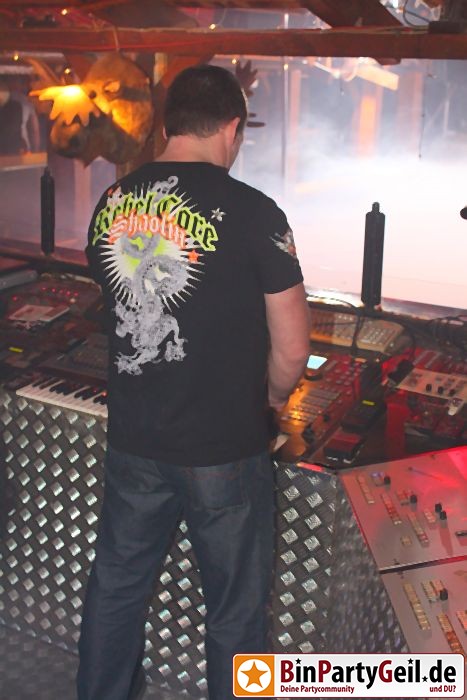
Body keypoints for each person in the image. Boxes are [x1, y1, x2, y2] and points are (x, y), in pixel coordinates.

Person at [77, 64, 310, 700]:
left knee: (117, 588)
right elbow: (293, 349)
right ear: (233, 128)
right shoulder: (256, 212)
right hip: (225, 449)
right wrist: (270, 399)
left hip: (134, 442)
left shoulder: (112, 202)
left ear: (166, 126)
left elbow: (115, 301)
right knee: (235, 611)